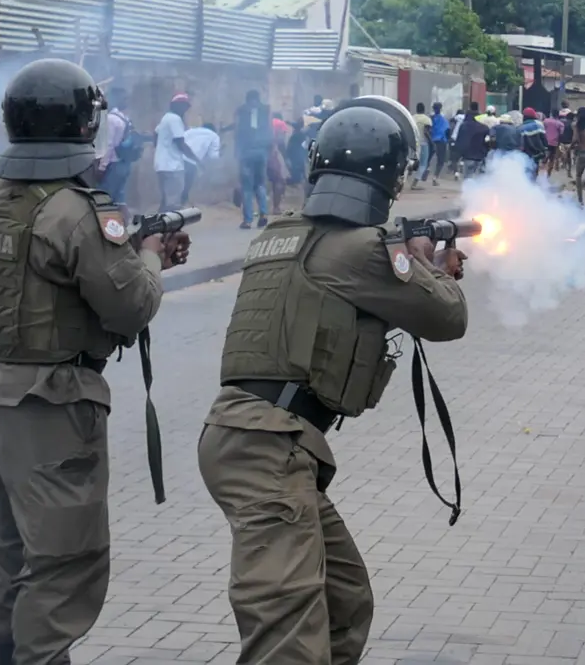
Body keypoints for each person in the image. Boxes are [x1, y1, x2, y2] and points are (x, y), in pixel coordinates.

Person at [198, 95, 467, 664]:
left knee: (343, 601)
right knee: (286, 636)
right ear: (395, 175)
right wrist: (428, 265)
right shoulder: (367, 251)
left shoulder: (280, 232)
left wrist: (407, 253)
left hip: (255, 441)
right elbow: (448, 317)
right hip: (268, 450)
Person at [0, 59, 191, 665]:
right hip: (57, 401)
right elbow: (131, 306)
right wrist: (151, 257)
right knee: (64, 562)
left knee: (11, 554)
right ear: (86, 124)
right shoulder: (77, 210)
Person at [233, 90, 273, 229]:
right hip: (261, 152)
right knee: (260, 184)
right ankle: (264, 213)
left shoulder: (241, 111)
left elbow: (237, 131)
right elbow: (270, 132)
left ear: (247, 99)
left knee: (247, 188)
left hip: (247, 153)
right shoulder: (265, 110)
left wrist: (236, 152)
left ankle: (248, 220)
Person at [97, 86, 137, 221]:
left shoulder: (111, 119)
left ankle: (109, 229)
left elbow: (108, 145)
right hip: (124, 164)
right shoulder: (125, 118)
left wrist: (102, 167)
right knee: (119, 199)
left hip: (113, 165)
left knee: (104, 199)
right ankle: (130, 226)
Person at [154, 93, 197, 212]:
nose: (186, 110)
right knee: (173, 204)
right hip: (172, 167)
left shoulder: (165, 118)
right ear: (177, 106)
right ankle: (171, 229)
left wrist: (161, 149)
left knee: (165, 201)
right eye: (185, 107)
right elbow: (180, 143)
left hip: (161, 165)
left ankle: (159, 226)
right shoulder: (175, 119)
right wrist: (195, 159)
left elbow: (155, 134)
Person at [180, 122, 221, 206]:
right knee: (186, 185)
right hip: (191, 161)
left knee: (177, 185)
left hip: (177, 159)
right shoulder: (214, 136)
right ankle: (182, 204)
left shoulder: (190, 131)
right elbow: (213, 157)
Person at [518, 107, 549, 179]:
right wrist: (546, 149)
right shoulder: (539, 124)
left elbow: (520, 144)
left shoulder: (521, 127)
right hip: (538, 153)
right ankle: (533, 184)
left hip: (526, 154)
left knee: (526, 171)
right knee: (535, 170)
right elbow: (544, 138)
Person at [409, 102, 434, 189]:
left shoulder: (412, 118)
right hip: (423, 143)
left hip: (413, 144)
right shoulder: (427, 120)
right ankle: (414, 184)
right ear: (424, 109)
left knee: (411, 162)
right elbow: (426, 132)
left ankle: (407, 177)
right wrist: (431, 142)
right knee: (423, 164)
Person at [429, 102, 451, 185]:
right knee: (440, 161)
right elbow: (448, 130)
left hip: (431, 141)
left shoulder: (431, 118)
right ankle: (435, 177)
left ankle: (425, 171)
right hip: (442, 141)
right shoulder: (444, 120)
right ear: (441, 108)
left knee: (428, 158)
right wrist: (448, 139)